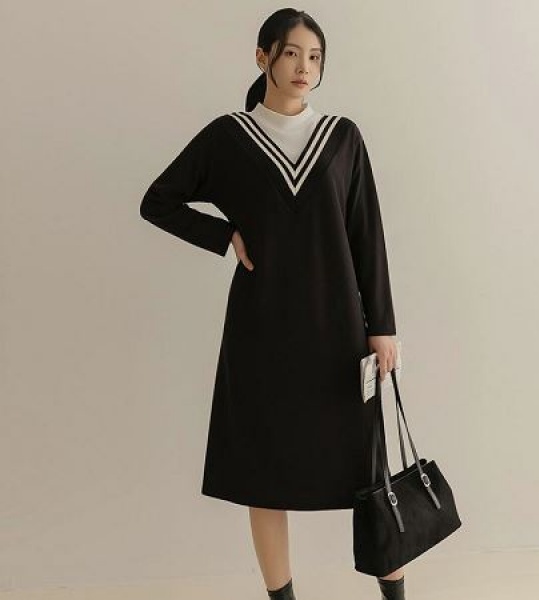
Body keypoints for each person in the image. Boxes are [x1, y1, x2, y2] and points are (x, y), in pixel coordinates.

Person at [139, 8, 405, 600]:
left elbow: (367, 234)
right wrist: (225, 235)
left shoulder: (342, 137)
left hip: (339, 332)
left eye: (315, 57)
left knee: (370, 472)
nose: (304, 66)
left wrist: (382, 325)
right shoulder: (228, 138)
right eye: (291, 53)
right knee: (265, 473)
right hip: (261, 333)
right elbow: (158, 200)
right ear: (263, 57)